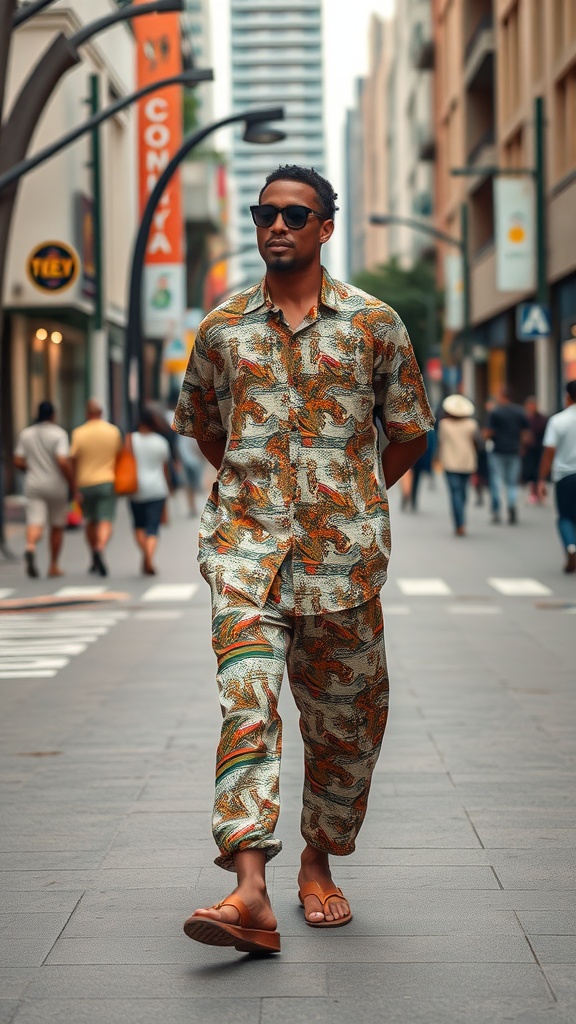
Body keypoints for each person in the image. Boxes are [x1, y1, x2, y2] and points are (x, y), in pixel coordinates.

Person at [173, 164, 434, 954]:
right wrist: (254, 503)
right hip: (246, 557)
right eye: (266, 213)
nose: (278, 225)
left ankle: (318, 862)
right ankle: (249, 888)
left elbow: (411, 430)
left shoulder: (374, 324)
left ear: (326, 226)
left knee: (346, 725)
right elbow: (205, 427)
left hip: (345, 565)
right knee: (246, 706)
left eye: (297, 213)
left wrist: (352, 496)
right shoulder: (221, 329)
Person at [13, 400, 72, 578]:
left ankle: (30, 546)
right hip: (56, 484)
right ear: (53, 415)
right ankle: (53, 565)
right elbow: (62, 460)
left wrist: (30, 469)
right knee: (56, 525)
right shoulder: (59, 434)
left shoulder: (26, 434)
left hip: (33, 484)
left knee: (35, 521)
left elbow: (17, 460)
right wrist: (71, 481)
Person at [70, 398, 122, 576]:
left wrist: (74, 487)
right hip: (107, 481)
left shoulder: (78, 433)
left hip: (84, 483)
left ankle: (94, 555)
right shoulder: (113, 431)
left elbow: (74, 461)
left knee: (90, 520)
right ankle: (100, 547)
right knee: (105, 519)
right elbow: (119, 456)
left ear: (87, 413)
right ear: (101, 413)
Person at [538, 380, 576, 573]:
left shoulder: (558, 420)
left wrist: (542, 480)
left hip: (565, 476)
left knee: (565, 517)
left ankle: (570, 546)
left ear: (568, 396)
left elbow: (549, 452)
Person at [129, 407, 171, 575]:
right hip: (157, 489)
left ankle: (146, 556)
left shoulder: (130, 440)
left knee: (139, 525)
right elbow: (165, 468)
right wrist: (169, 488)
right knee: (152, 527)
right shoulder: (161, 442)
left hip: (135, 489)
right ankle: (149, 558)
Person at [484, 386, 530, 524]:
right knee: (512, 482)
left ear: (502, 396)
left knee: (497, 481)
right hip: (514, 450)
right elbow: (525, 433)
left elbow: (488, 432)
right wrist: (521, 446)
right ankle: (511, 504)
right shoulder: (519, 411)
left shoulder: (495, 412)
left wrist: (487, 436)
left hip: (498, 450)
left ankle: (497, 510)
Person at [437, 395, 478, 536]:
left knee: (455, 493)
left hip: (450, 462)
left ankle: (459, 523)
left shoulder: (444, 424)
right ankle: (461, 521)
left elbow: (440, 442)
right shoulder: (472, 424)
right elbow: (477, 443)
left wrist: (437, 458)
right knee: (463, 492)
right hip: (467, 462)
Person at [523, 396, 548, 504]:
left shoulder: (542, 419)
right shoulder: (525, 418)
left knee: (539, 470)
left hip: (539, 447)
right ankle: (533, 491)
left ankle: (540, 491)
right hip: (529, 449)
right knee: (531, 471)